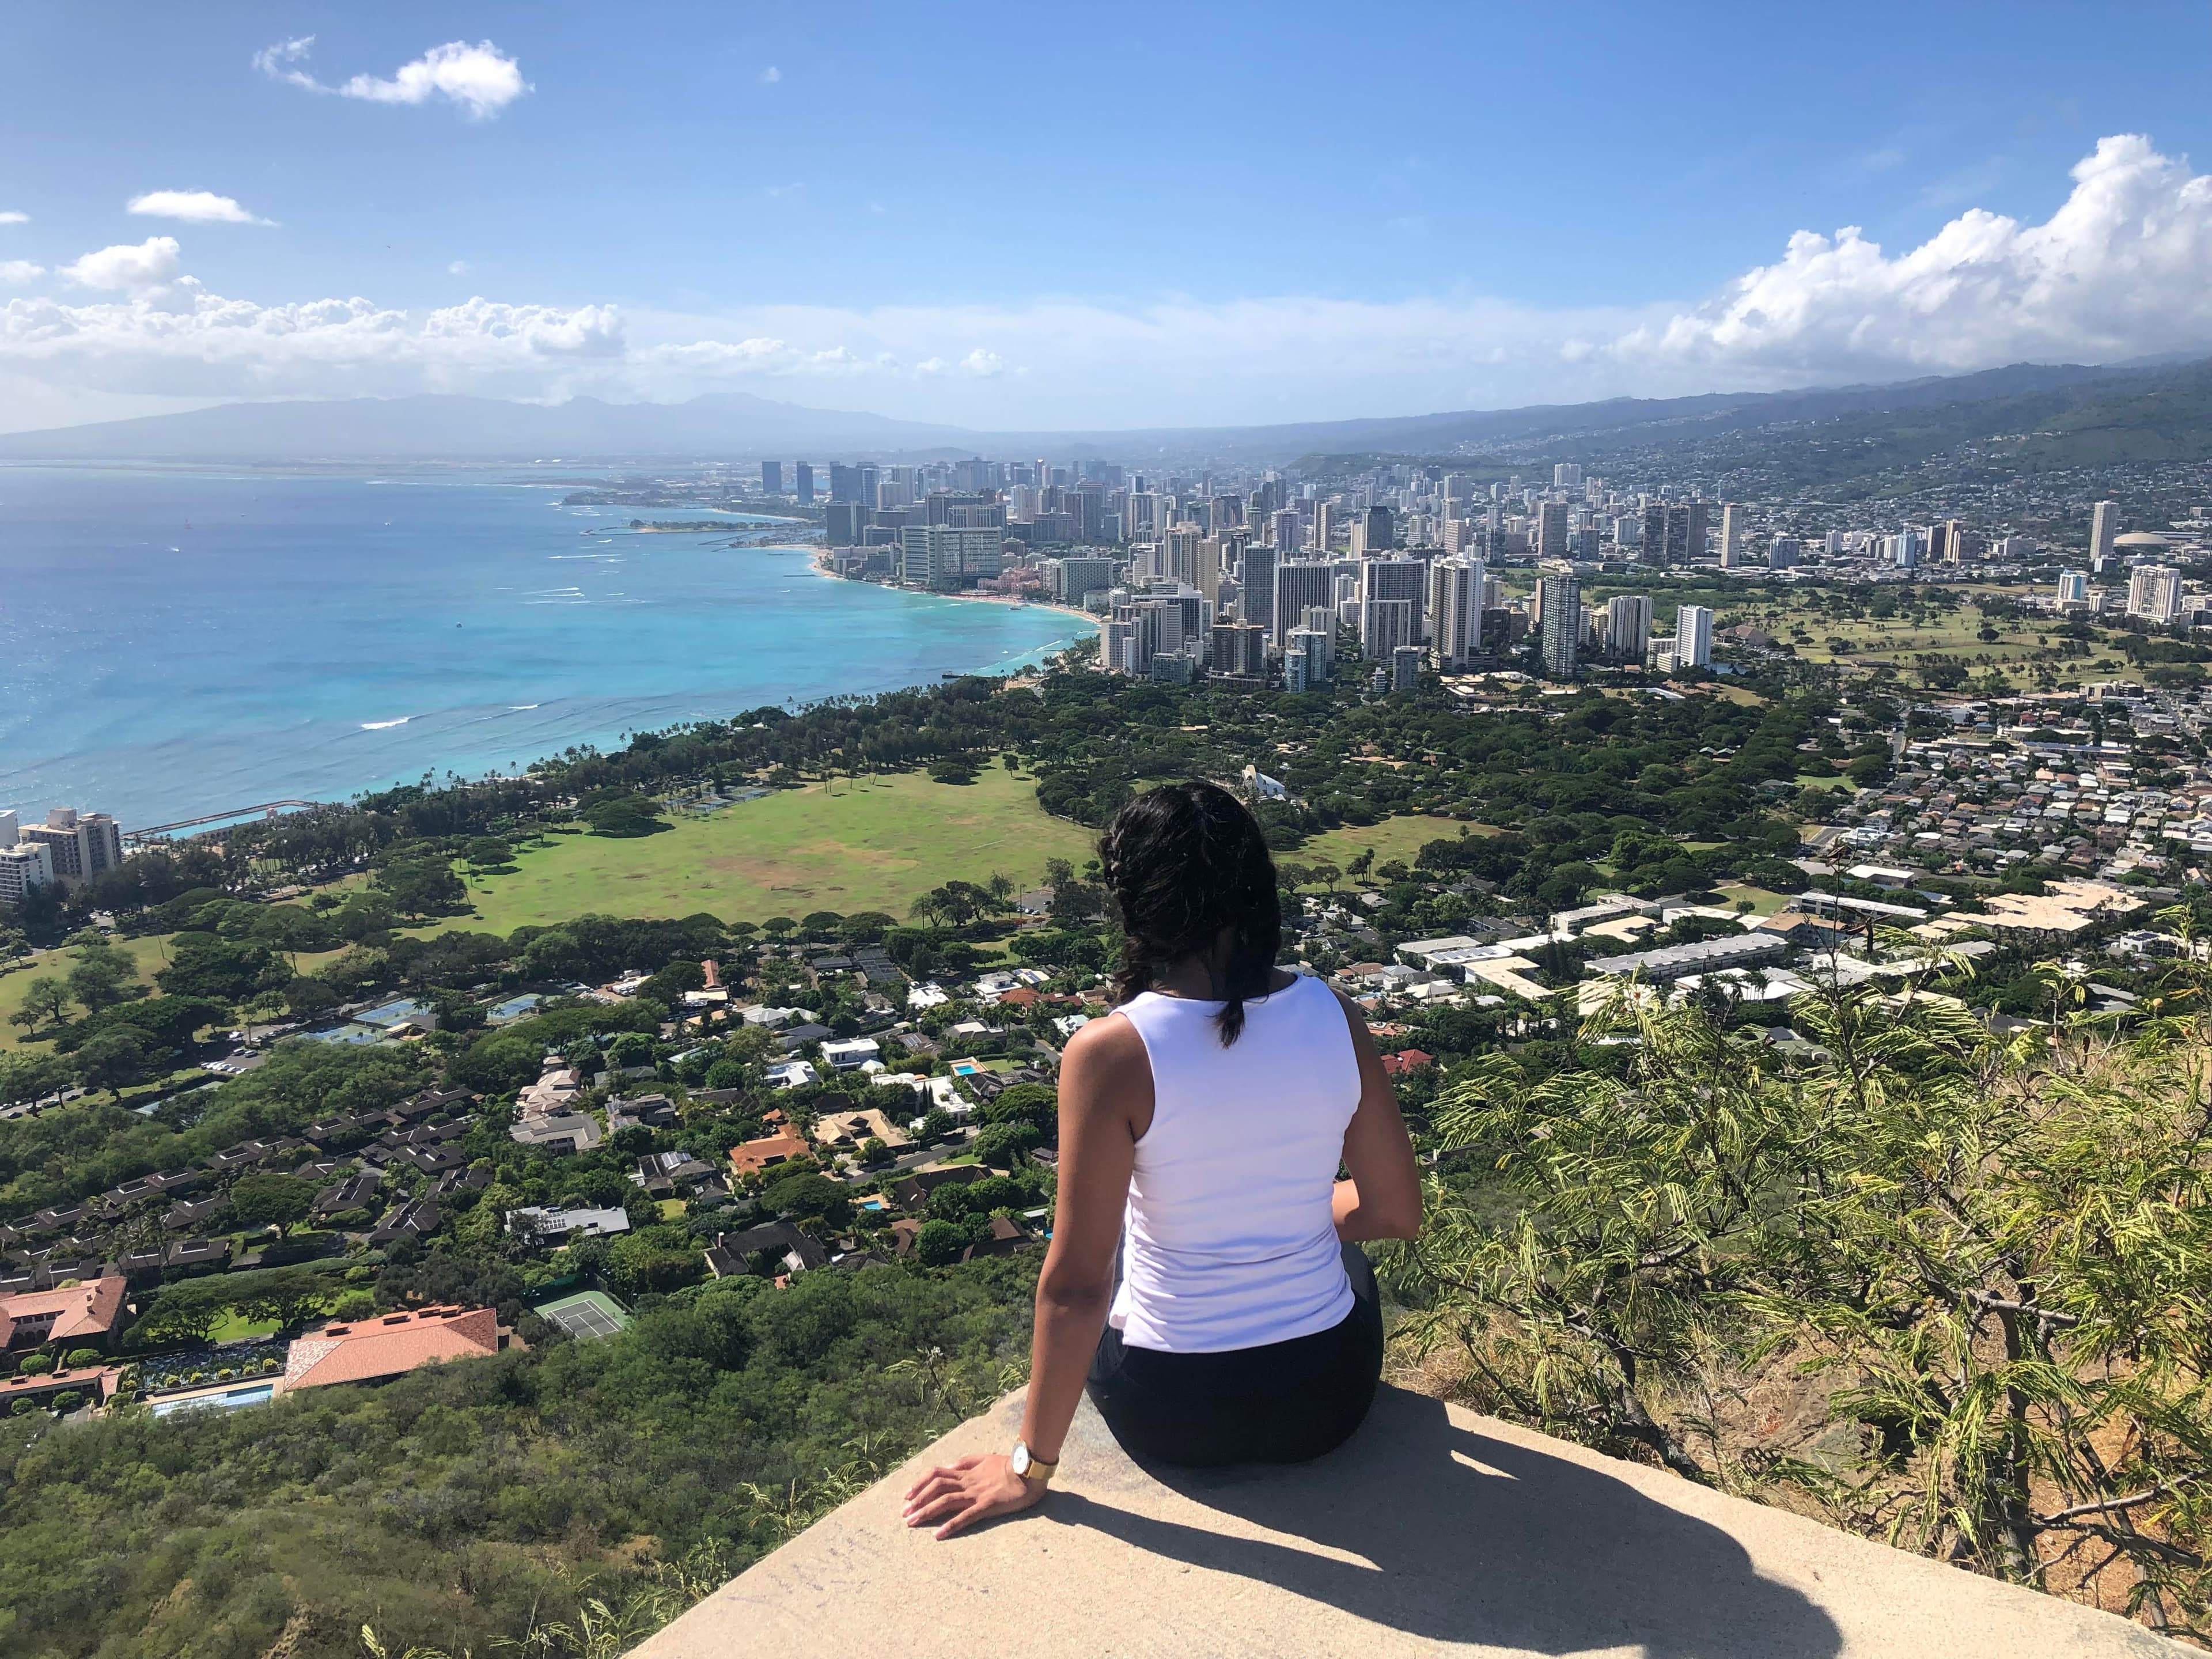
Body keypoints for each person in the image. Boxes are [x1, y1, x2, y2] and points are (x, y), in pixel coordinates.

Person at [903, 781, 1422, 1539]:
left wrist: (1028, 1467)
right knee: (1351, 1269)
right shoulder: (1333, 1013)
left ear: (1135, 903)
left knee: (1117, 1252)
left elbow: (1078, 1287)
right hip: (1326, 1401)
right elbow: (1394, 1213)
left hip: (1175, 1414)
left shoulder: (1111, 1052)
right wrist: (1287, 1223)